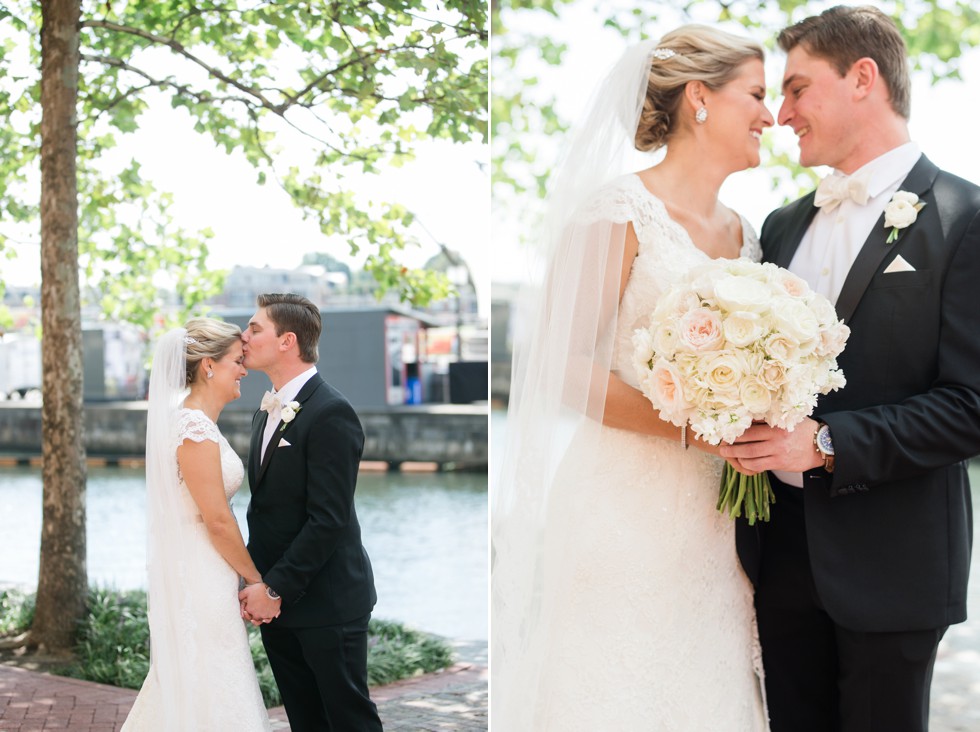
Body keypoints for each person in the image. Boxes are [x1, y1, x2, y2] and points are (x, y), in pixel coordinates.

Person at [491, 26, 774, 730]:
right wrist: (698, 428)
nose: (770, 115)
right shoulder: (618, 213)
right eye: (759, 95)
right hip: (624, 513)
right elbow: (561, 367)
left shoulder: (749, 233)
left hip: (719, 524)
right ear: (700, 99)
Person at [721, 6, 980, 731]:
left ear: (863, 78)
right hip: (776, 555)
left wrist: (827, 444)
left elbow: (972, 404)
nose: (783, 112)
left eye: (799, 88)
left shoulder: (965, 217)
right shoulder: (780, 225)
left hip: (893, 561)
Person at [238, 293, 382, 732]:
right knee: (306, 723)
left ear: (288, 341)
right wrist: (256, 583)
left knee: (349, 721)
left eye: (254, 328)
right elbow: (266, 510)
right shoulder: (266, 414)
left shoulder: (331, 412)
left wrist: (274, 588)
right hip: (278, 607)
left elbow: (329, 519)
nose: (244, 337)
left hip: (328, 603)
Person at [122, 319, 271, 731]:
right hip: (202, 571)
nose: (244, 369)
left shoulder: (196, 424)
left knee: (202, 674)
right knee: (207, 671)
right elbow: (218, 520)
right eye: (237, 361)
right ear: (208, 366)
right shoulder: (194, 429)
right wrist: (256, 579)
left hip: (206, 566)